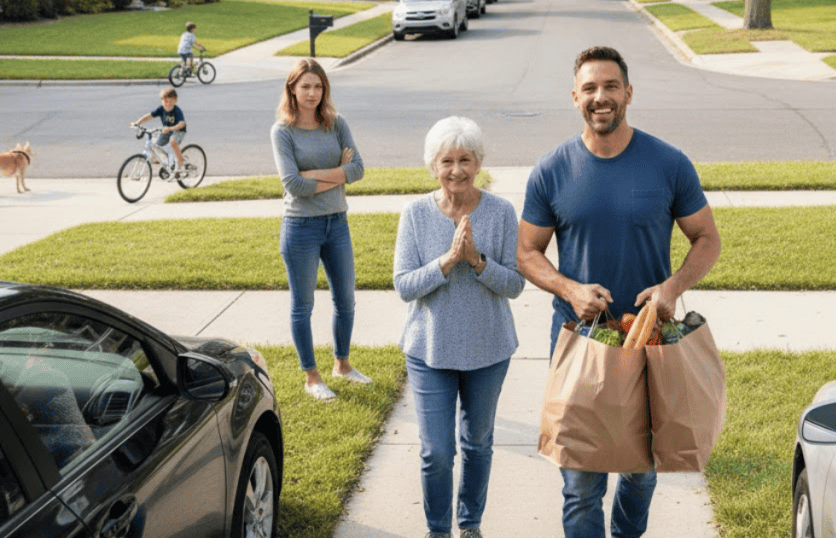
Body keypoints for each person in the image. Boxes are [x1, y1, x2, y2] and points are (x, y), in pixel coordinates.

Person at [516, 46, 722, 538]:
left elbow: (707, 238)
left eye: (611, 86)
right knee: (581, 481)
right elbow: (527, 252)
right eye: (590, 88)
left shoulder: (668, 163)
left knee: (640, 471)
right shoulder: (551, 170)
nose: (601, 97)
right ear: (575, 97)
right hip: (580, 342)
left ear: (628, 93)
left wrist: (673, 287)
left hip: (652, 346)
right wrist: (569, 288)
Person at [393, 116, 525, 538]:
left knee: (477, 444)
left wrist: (477, 261)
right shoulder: (414, 214)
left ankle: (470, 525)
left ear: (479, 162)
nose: (456, 170)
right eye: (447, 160)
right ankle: (438, 530)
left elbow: (516, 283)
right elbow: (404, 286)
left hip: (488, 348)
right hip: (430, 349)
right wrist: (447, 262)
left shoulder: (501, 211)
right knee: (436, 452)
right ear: (433, 166)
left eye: (465, 159)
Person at [270, 58, 372, 401]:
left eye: (318, 87)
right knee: (303, 305)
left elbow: (358, 169)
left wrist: (315, 175)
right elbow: (293, 185)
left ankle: (341, 364)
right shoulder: (282, 131)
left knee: (346, 300)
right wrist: (336, 172)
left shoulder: (335, 122)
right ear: (292, 90)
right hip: (300, 227)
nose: (312, 93)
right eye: (305, 87)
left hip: (337, 223)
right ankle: (311, 377)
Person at [131, 87, 187, 174]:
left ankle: (181, 161)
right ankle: (168, 162)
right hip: (167, 131)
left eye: (170, 101)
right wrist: (138, 123)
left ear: (175, 101)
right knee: (156, 146)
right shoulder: (161, 109)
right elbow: (149, 116)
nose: (167, 103)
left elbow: (182, 124)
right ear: (162, 101)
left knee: (172, 142)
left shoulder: (177, 111)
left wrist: (170, 128)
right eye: (165, 101)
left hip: (178, 131)